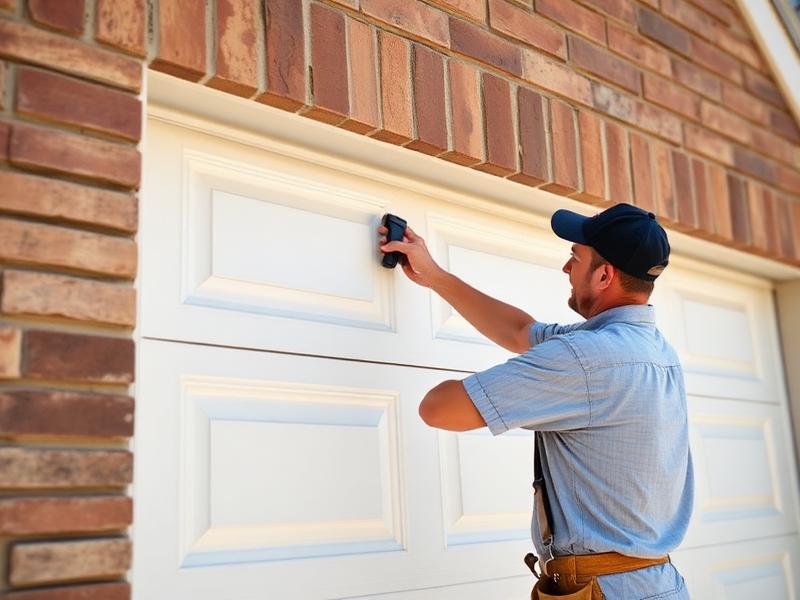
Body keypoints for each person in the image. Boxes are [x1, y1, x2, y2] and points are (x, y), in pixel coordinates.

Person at [379, 203, 693, 600]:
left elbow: (437, 408)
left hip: (607, 591)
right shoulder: (656, 352)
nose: (566, 268)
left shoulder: (586, 360)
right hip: (652, 585)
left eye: (574, 258)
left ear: (604, 275)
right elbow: (519, 330)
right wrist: (435, 276)